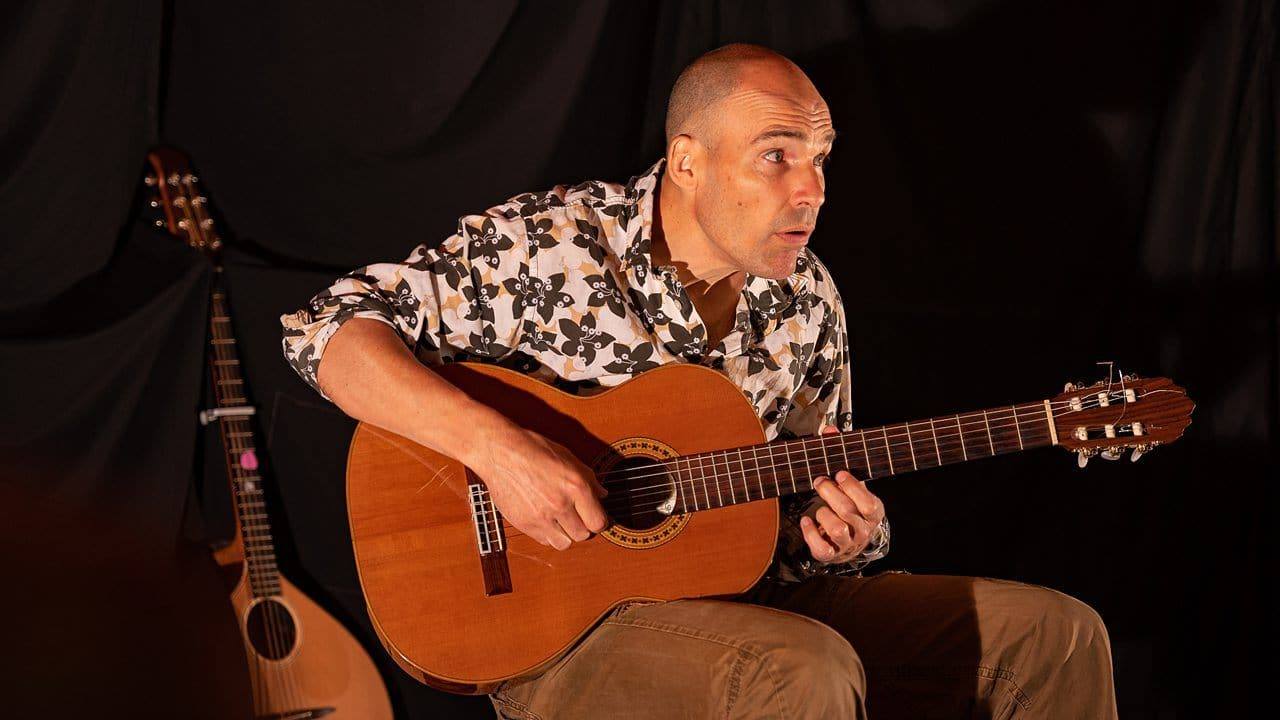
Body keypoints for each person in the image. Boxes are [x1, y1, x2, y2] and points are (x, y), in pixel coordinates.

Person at [280, 43, 1116, 720]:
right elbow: (323, 329)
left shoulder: (807, 297)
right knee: (801, 668)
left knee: (1057, 635)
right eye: (777, 156)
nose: (812, 189)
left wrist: (842, 534)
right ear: (687, 161)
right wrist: (500, 451)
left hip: (751, 604)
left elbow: (794, 513)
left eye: (821, 159)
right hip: (563, 634)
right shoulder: (552, 246)